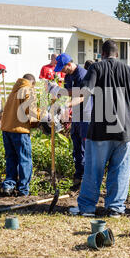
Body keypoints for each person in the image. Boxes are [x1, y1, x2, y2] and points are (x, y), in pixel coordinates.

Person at [69, 39, 130, 218]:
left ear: (102, 54)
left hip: (100, 130)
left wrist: (67, 104)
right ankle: (115, 208)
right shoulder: (129, 70)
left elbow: (85, 92)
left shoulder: (96, 68)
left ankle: (87, 208)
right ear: (117, 55)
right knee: (120, 171)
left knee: (92, 171)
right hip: (125, 130)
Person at [47, 53, 88, 191]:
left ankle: (87, 178)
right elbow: (67, 92)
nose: (62, 72)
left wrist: (62, 92)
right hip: (76, 114)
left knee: (85, 146)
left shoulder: (82, 74)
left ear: (69, 64)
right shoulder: (69, 76)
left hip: (86, 114)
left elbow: (81, 94)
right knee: (76, 145)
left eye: (63, 68)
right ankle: (78, 176)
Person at [0, 73, 42, 197]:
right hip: (20, 130)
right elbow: (33, 114)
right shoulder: (28, 90)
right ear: (32, 83)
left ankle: (9, 185)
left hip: (7, 129)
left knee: (11, 158)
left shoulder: (14, 90)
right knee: (25, 160)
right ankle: (23, 189)